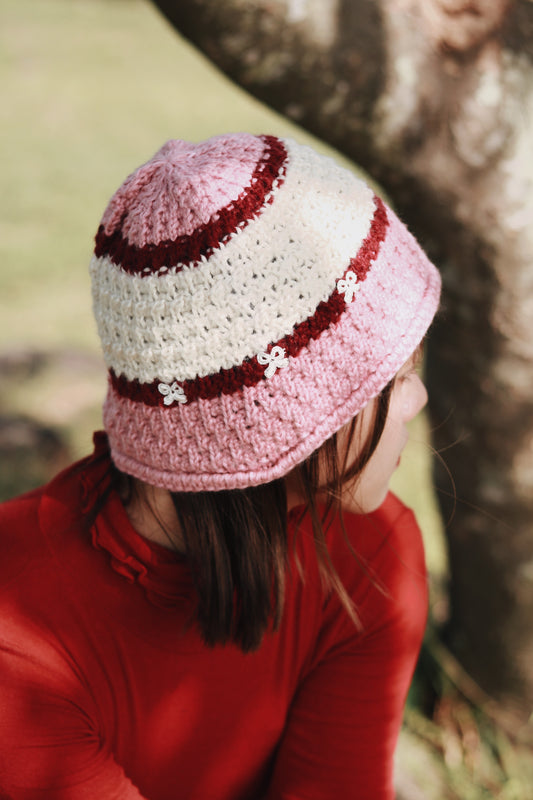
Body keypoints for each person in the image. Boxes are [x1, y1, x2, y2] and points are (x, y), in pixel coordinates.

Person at [0, 133, 441, 800]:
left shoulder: (370, 555)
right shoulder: (21, 632)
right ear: (291, 410)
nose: (418, 397)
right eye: (393, 373)